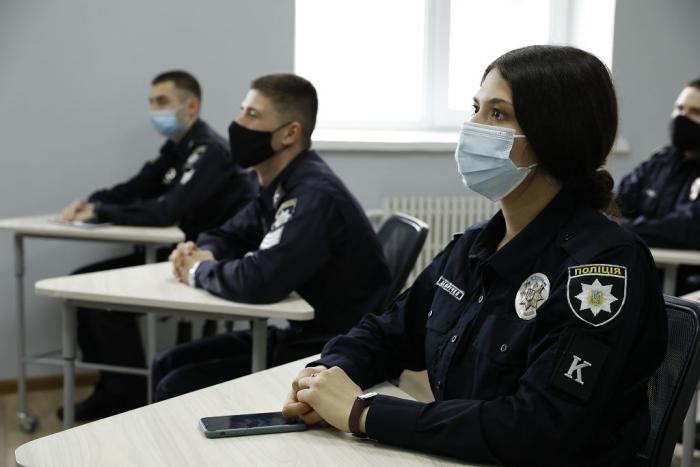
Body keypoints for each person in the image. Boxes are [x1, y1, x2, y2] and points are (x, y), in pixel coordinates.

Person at [282, 46, 668, 467]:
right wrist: (326, 375)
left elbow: (538, 428)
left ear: (554, 134)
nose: (472, 127)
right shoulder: (476, 245)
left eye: (497, 114)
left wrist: (364, 413)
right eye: (475, 108)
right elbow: (389, 332)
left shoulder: (602, 268)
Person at [154, 73, 391, 401]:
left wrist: (197, 269)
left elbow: (260, 281)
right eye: (242, 111)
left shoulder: (312, 194)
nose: (238, 124)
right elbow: (229, 233)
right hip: (301, 336)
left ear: (289, 133)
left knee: (176, 384)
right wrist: (202, 251)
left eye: (252, 115)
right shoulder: (279, 185)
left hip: (331, 354)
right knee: (167, 362)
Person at [57, 70, 257, 421]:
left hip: (205, 260)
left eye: (162, 101)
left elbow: (167, 212)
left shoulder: (210, 151)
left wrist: (101, 212)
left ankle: (125, 396)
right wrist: (90, 203)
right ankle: (115, 389)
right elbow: (136, 187)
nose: (154, 110)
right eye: (151, 102)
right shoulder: (175, 149)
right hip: (173, 255)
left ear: (191, 106)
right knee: (82, 287)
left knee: (100, 301)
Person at [616, 78, 700, 295]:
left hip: (687, 289)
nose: (682, 117)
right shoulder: (660, 161)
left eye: (695, 112)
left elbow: (687, 228)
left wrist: (625, 228)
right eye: (679, 108)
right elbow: (616, 203)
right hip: (642, 278)